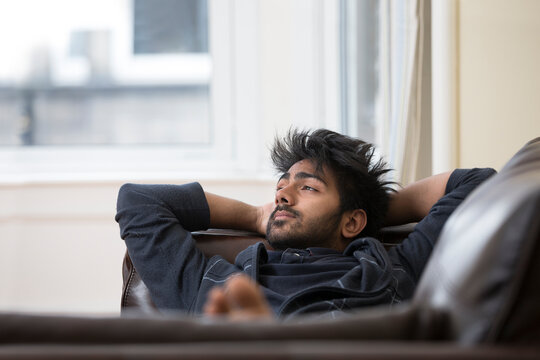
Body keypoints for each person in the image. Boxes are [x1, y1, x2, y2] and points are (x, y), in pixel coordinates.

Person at [116, 129, 495, 319]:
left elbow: (477, 182)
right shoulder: (212, 284)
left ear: (352, 221)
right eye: (281, 187)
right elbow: (139, 201)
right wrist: (253, 215)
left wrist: (370, 211)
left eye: (309, 187)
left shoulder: (396, 269)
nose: (283, 195)